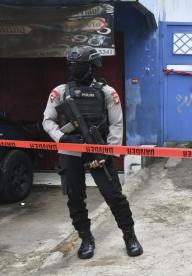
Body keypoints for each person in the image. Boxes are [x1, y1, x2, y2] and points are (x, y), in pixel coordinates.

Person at [42, 45, 143, 259]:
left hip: (99, 150)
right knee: (75, 197)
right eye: (72, 64)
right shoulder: (60, 91)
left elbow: (117, 124)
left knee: (114, 195)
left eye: (80, 65)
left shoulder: (107, 92)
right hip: (70, 150)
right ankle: (86, 239)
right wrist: (62, 137)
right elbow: (47, 120)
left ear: (91, 66)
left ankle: (129, 236)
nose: (75, 69)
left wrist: (107, 153)